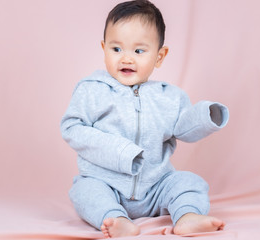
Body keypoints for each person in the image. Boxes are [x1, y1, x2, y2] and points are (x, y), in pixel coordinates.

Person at [60, 0, 229, 238]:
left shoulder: (169, 96)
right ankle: (116, 219)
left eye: (139, 51)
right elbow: (72, 128)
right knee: (84, 191)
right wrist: (121, 152)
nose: (126, 59)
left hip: (155, 186)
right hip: (106, 184)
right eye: (116, 49)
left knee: (190, 182)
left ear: (159, 56)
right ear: (104, 48)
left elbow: (183, 128)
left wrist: (205, 116)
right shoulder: (92, 90)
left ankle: (188, 216)